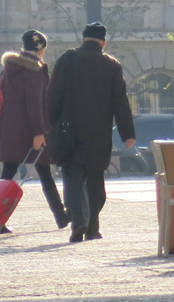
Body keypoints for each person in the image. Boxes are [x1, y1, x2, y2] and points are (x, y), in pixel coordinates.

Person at [45, 22, 135, 243]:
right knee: (95, 181)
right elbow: (120, 102)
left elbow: (53, 95)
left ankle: (79, 223)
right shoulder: (112, 65)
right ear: (103, 42)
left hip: (69, 132)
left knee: (73, 178)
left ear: (83, 39)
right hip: (99, 133)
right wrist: (127, 133)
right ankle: (93, 227)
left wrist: (48, 124)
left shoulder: (68, 59)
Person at [0, 30, 69, 233]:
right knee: (45, 173)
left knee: (7, 175)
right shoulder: (34, 69)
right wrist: (39, 132)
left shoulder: (10, 68)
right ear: (42, 49)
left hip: (10, 129)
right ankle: (61, 216)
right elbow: (35, 103)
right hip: (30, 130)